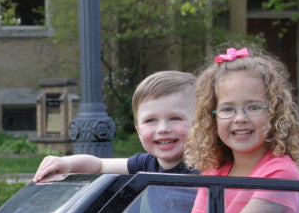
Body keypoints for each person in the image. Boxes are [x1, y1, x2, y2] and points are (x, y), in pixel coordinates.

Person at [128, 46, 299, 213]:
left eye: (253, 107)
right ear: (211, 118)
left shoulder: (280, 172)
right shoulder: (215, 171)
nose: (240, 118)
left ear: (274, 112)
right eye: (227, 109)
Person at [32, 70, 196, 181]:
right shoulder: (147, 164)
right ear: (139, 131)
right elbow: (99, 165)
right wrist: (67, 164)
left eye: (175, 118)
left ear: (200, 124)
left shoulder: (204, 167)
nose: (163, 129)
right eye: (151, 120)